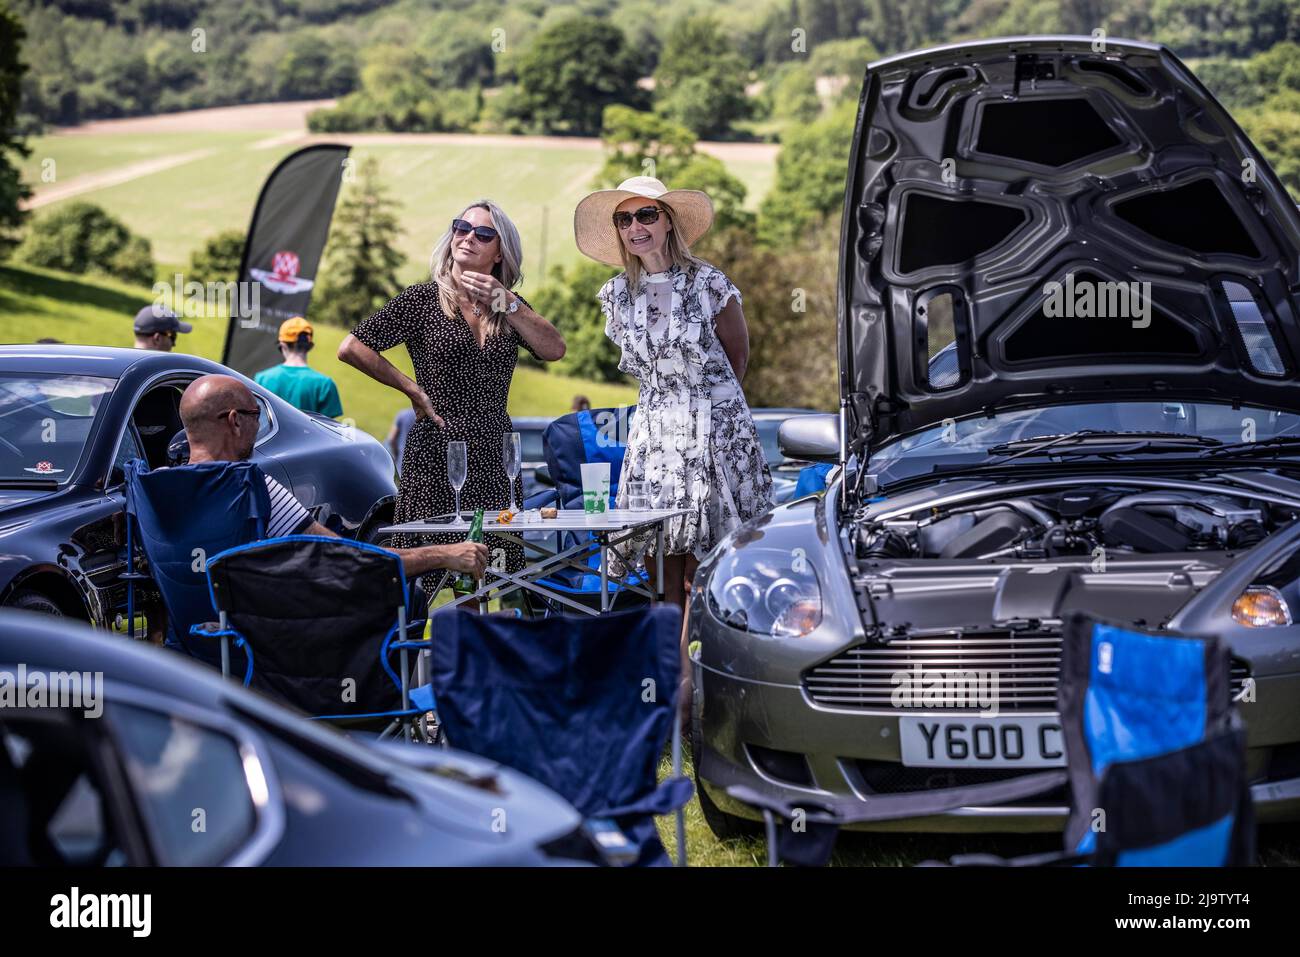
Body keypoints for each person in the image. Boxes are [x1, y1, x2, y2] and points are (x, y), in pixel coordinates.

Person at [575, 175, 773, 705]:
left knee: (700, 570)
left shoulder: (708, 283)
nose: (636, 227)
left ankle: (694, 690)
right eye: (625, 219)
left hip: (713, 428)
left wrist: (704, 415)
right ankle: (666, 686)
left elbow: (737, 358)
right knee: (660, 566)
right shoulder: (617, 295)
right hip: (654, 432)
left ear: (668, 222)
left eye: (646, 216)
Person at [338, 200, 565, 596]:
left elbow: (553, 349)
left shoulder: (505, 306)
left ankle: (474, 650)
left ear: (500, 252)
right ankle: (410, 654)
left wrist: (506, 301)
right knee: (423, 577)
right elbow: (352, 347)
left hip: (494, 454)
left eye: (483, 234)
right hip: (436, 449)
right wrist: (410, 388)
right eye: (461, 227)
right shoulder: (422, 300)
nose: (468, 237)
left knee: (485, 580)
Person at [178, 374, 487, 579]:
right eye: (256, 415)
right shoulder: (255, 488)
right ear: (234, 421)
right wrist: (446, 554)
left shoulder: (155, 492)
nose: (258, 427)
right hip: (261, 652)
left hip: (185, 653)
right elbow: (354, 558)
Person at [254, 317, 343, 418]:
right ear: (310, 346)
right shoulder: (325, 384)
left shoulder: (261, 379)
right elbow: (328, 428)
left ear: (282, 345)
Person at [386, 407, 415, 477]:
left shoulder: (403, 415)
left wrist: (396, 455)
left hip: (402, 465)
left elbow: (391, 439)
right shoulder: (434, 418)